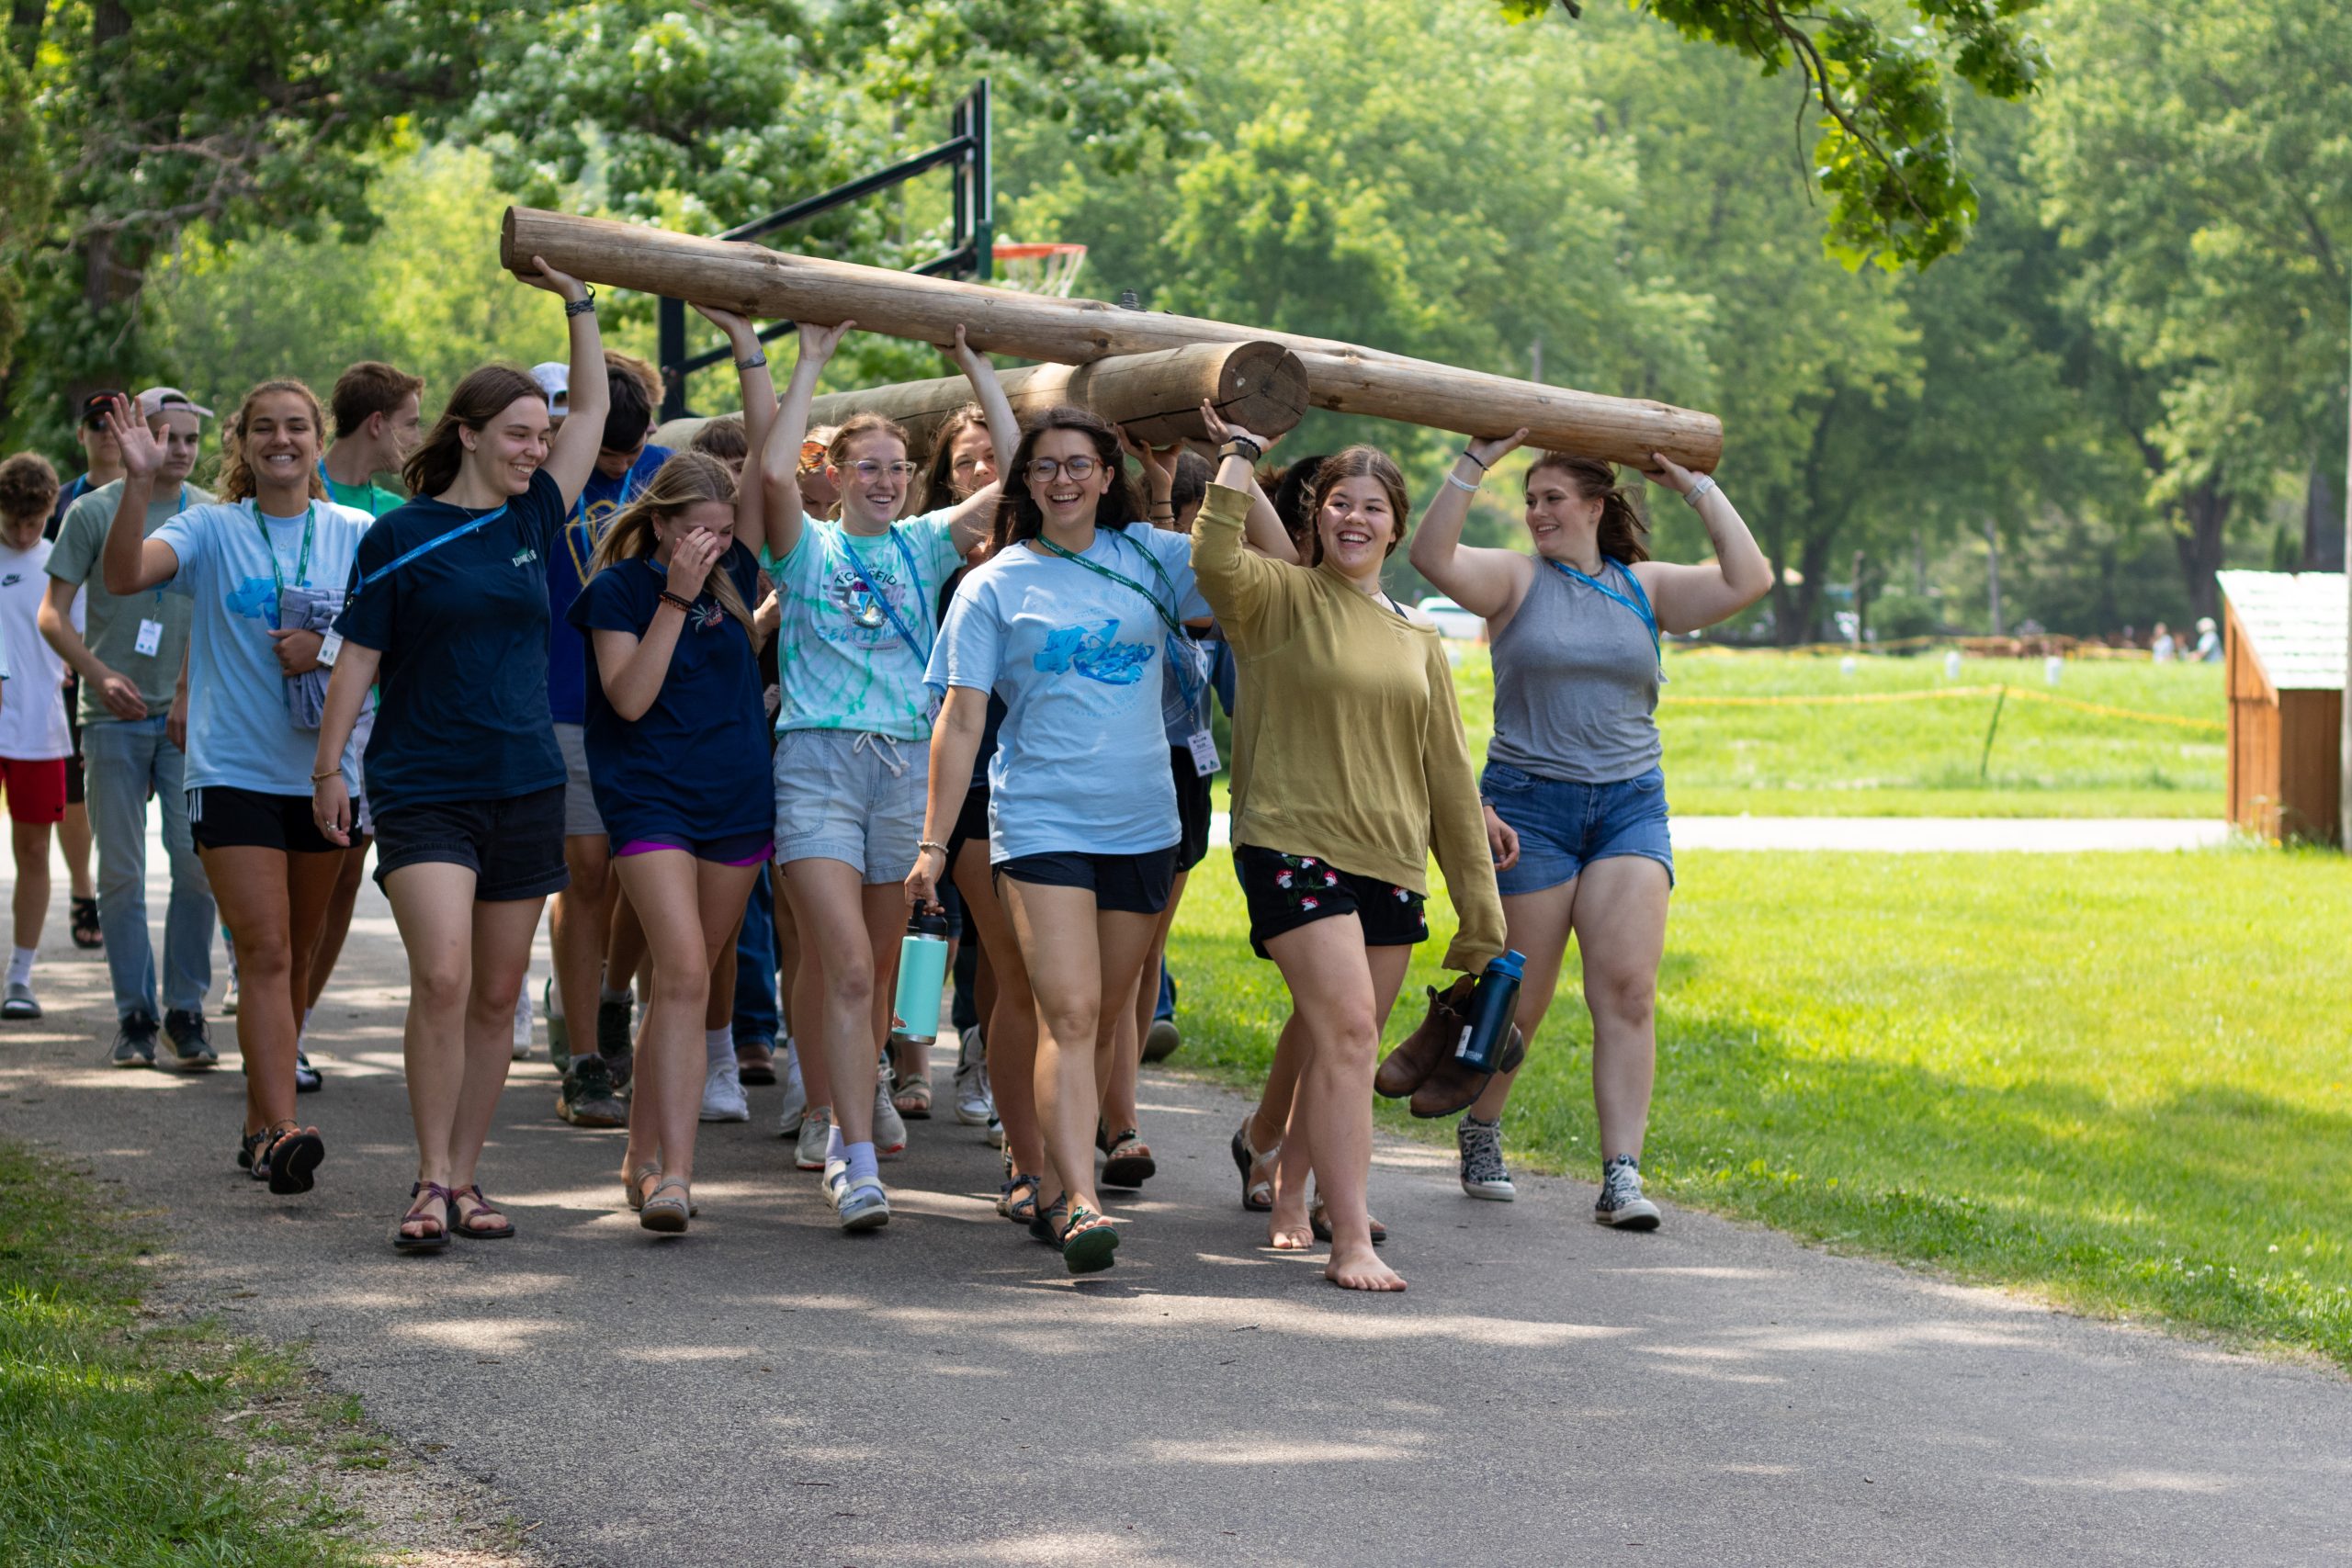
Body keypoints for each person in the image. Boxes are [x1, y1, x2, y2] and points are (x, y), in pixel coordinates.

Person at [310, 256, 610, 1251]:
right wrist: (329, 769)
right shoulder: (397, 535)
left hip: (525, 784)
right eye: (518, 434)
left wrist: (578, 304)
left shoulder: (534, 516)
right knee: (441, 977)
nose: (536, 449)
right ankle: (428, 1177)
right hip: (423, 784)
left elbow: (593, 410)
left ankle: (466, 1178)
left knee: (493, 993)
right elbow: (357, 657)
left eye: (542, 437)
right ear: (469, 433)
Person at [1408, 435, 1769, 1224]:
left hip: (1630, 807)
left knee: (1629, 990)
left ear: (1597, 507)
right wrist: (1474, 463)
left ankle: (1622, 1175)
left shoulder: (1646, 586)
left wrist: (1696, 486)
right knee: (1520, 998)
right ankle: (1482, 1126)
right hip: (1529, 809)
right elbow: (1431, 556)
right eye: (1530, 500)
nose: (1537, 513)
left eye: (1552, 499)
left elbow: (1751, 578)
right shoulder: (1516, 578)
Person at [1190, 410, 1504, 1293]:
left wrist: (1481, 918)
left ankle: (1292, 1188)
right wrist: (1237, 453)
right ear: (1315, 515)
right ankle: (1352, 1236)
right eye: (1339, 503)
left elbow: (1449, 778)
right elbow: (1211, 555)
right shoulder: (1278, 599)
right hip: (1291, 840)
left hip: (1391, 861)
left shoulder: (1419, 639)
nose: (1354, 518)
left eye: (1372, 507)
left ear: (1395, 526)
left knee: (1340, 1042)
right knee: (1352, 1027)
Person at [909, 403, 1209, 1275]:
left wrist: (1235, 456)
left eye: (1080, 464)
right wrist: (932, 847)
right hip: (1039, 819)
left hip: (1143, 823)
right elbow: (961, 719)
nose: (1063, 479)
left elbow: (1264, 562)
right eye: (1045, 466)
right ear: (1025, 482)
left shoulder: (1153, 557)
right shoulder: (995, 584)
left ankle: (1051, 1177)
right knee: (1069, 1011)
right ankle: (1076, 1198)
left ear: (1108, 476)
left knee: (1106, 1014)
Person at [758, 322, 1016, 1231]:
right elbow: (770, 475)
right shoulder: (805, 548)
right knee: (844, 963)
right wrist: (809, 362)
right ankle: (852, 1158)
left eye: (896, 468)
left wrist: (976, 369)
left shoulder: (925, 543)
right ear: (834, 472)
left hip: (905, 770)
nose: (884, 480)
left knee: (871, 968)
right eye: (866, 467)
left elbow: (1016, 478)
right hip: (818, 764)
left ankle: (844, 1107)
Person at [99, 382, 375, 1196]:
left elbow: (395, 639)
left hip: (326, 774)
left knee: (295, 960)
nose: (280, 440)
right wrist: (138, 483)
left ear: (318, 440)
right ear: (243, 444)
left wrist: (325, 649)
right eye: (263, 428)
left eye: (296, 427)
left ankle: (260, 1128)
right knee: (266, 949)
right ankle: (284, 1130)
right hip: (231, 772)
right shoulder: (211, 527)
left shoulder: (358, 532)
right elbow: (124, 575)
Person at [571, 409, 774, 1231]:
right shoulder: (617, 591)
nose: (712, 545)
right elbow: (629, 697)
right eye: (696, 531)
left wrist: (775, 356)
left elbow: (771, 454)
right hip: (650, 797)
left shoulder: (738, 570)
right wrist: (676, 596)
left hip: (736, 798)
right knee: (683, 970)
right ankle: (677, 1176)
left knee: (686, 984)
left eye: (723, 531)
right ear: (659, 524)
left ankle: (641, 1153)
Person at [41, 393, 220, 1066]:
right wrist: (96, 672)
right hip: (110, 716)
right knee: (120, 874)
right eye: (168, 436)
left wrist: (189, 691)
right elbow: (51, 614)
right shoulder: (92, 510)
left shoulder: (211, 515)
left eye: (191, 439)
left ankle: (186, 1011)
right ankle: (135, 1017)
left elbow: (223, 615)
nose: (181, 450)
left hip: (187, 719)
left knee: (197, 866)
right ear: (138, 437)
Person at [548, 351, 672, 1130]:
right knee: (585, 869)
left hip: (652, 703)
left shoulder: (665, 472)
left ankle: (611, 994)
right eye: (608, 452)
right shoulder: (550, 472)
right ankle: (585, 1059)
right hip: (566, 696)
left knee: (640, 871)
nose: (620, 465)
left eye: (632, 451)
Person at [297, 363, 428, 1076]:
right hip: (279, 722)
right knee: (295, 881)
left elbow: (397, 628)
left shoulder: (392, 512)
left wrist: (319, 648)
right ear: (377, 424)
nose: (417, 435)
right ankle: (270, 1007)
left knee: (345, 877)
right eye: (410, 422)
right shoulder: (294, 489)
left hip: (369, 719)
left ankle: (293, 1026)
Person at [48, 392, 129, 951]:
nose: (105, 432)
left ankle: (125, 892)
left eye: (114, 423)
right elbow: (41, 592)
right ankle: (84, 890)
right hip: (75, 667)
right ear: (81, 434)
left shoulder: (158, 495)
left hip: (145, 662)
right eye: (95, 424)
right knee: (74, 789)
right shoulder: (60, 505)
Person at [0, 453, 72, 1019]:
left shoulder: (60, 566)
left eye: (34, 522)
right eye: (13, 523)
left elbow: (79, 638)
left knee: (33, 851)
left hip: (37, 730)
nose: (24, 534)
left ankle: (20, 977)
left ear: (49, 512)